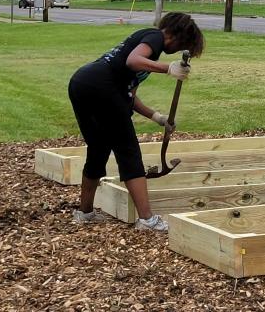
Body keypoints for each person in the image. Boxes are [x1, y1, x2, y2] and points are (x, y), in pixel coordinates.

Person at [68, 12, 205, 231]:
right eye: (183, 45)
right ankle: (148, 220)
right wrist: (168, 69)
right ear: (176, 35)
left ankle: (84, 213)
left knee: (99, 149)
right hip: (101, 87)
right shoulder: (155, 36)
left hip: (81, 83)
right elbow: (133, 61)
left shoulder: (145, 45)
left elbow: (128, 96)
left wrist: (157, 117)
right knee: (128, 151)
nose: (179, 50)